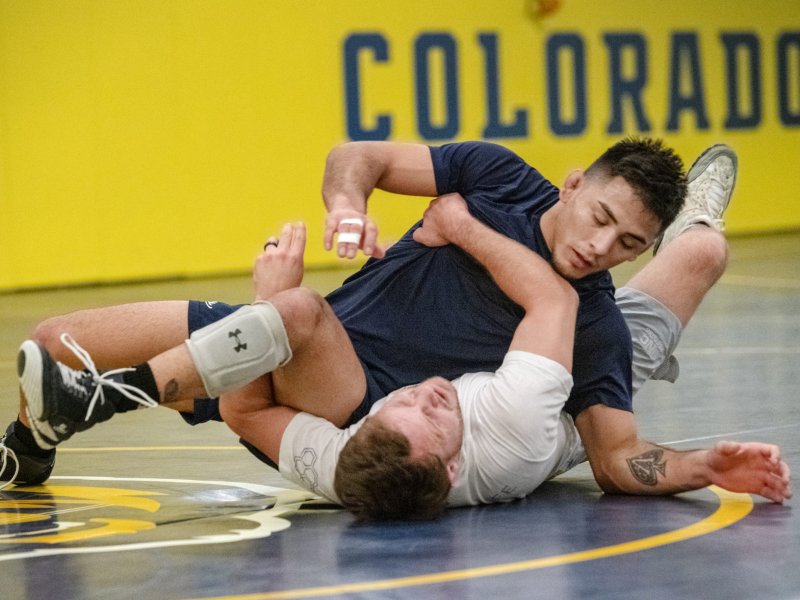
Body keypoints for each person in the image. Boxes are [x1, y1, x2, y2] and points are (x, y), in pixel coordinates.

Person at [10, 183, 792, 519]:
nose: (430, 390)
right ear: (455, 467)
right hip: (565, 360)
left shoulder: (343, 459)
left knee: (59, 344)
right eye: (430, 403)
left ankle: (54, 427)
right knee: (699, 260)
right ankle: (683, 223)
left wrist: (264, 303)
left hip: (311, 361)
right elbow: (614, 452)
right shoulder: (515, 420)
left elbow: (247, 411)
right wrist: (697, 467)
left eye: (409, 402)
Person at [3, 136, 687, 489]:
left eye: (629, 244)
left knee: (295, 310)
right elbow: (356, 156)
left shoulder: (592, 322)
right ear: (573, 184)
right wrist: (348, 206)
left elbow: (616, 457)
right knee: (55, 340)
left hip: (352, 407)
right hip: (284, 345)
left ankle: (100, 402)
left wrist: (708, 467)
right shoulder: (496, 175)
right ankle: (31, 451)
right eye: (600, 217)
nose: (601, 248)